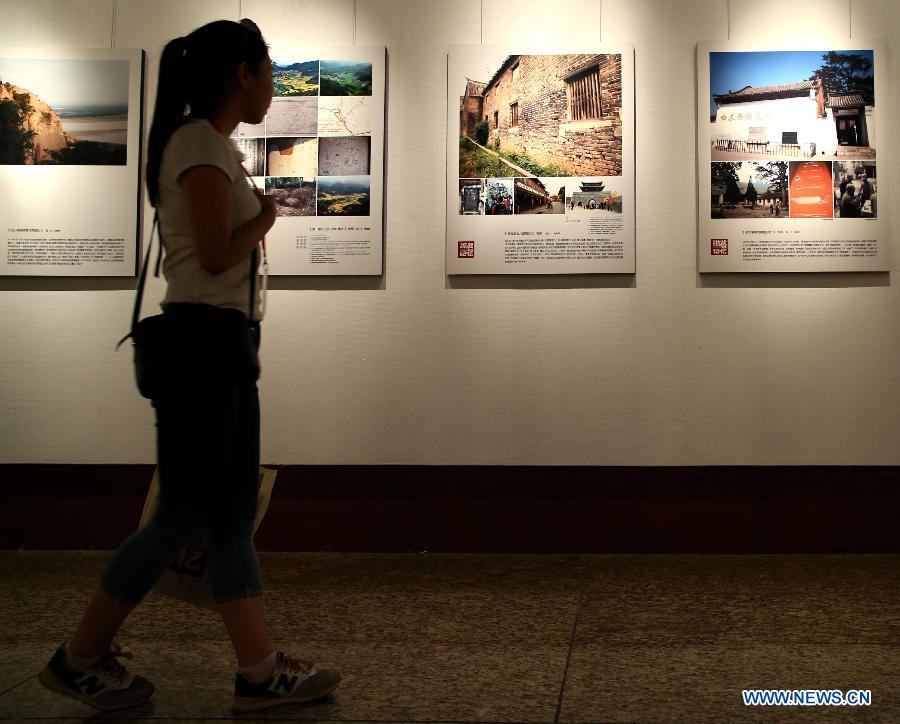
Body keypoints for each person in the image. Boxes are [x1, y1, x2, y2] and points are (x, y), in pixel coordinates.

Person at [38, 19, 340, 713]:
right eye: (269, 71)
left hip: (225, 347)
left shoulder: (211, 145)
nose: (273, 85)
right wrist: (265, 217)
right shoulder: (198, 144)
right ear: (242, 73)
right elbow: (212, 253)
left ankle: (259, 670)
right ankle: (80, 654)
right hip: (203, 351)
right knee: (179, 514)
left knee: (230, 514)